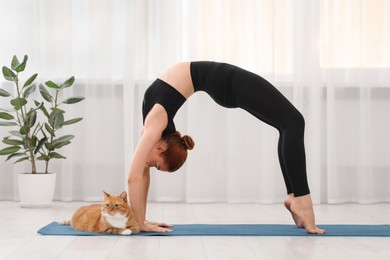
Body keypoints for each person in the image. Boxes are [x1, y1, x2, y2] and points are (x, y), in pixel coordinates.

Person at [127, 61, 325, 234]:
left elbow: (134, 176)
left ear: (161, 149)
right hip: (223, 82)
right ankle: (299, 199)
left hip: (227, 82)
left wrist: (139, 222)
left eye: (156, 166)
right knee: (292, 123)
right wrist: (140, 221)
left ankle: (297, 197)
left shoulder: (155, 124)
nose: (150, 165)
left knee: (292, 123)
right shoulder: (156, 130)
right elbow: (140, 175)